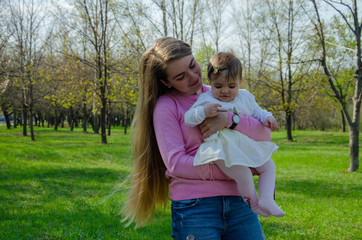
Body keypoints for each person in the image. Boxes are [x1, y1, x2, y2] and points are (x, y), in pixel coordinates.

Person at [121, 37, 272, 240]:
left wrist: (229, 119)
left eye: (193, 65)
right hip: (196, 206)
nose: (193, 77)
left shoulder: (222, 91)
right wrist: (237, 169)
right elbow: (176, 163)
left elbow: (264, 134)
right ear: (166, 82)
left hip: (240, 201)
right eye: (181, 76)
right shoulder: (167, 106)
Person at [184, 52, 285, 218]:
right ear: (210, 82)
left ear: (240, 82)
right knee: (243, 174)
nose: (225, 91)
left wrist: (267, 118)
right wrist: (202, 111)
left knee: (269, 166)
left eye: (231, 86)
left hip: (244, 144)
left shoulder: (245, 96)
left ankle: (267, 199)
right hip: (221, 149)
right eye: (218, 86)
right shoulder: (205, 99)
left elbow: (257, 111)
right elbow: (189, 119)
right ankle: (253, 203)